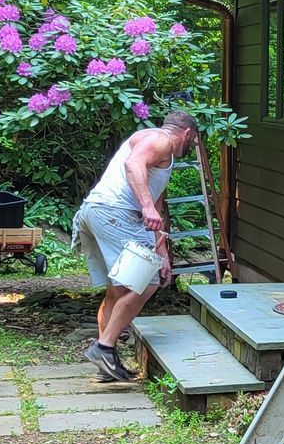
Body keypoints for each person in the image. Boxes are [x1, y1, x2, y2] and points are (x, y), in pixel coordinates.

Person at [70, 110, 201, 381]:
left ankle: (106, 364)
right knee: (146, 281)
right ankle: (104, 347)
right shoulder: (160, 140)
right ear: (187, 133)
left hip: (98, 212)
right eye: (194, 141)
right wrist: (145, 207)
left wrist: (162, 253)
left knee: (118, 290)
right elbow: (133, 164)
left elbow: (156, 205)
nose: (193, 146)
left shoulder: (162, 155)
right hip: (116, 214)